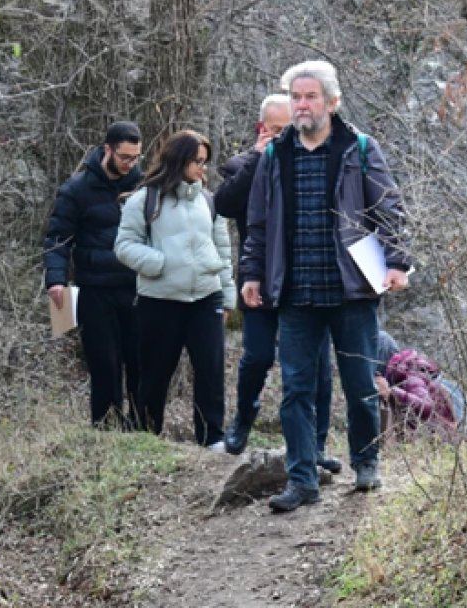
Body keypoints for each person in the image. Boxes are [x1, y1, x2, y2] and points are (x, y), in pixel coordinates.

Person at [239, 61, 412, 512]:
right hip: (294, 293)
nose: (301, 105)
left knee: (359, 382)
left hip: (352, 289)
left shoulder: (359, 148)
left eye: (310, 96)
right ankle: (302, 480)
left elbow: (388, 209)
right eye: (296, 97)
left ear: (332, 102)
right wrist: (252, 274)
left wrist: (396, 262)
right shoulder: (276, 155)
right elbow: (257, 223)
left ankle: (366, 464)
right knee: (295, 388)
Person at [215, 94, 340, 473]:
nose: (286, 136)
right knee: (256, 357)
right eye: (276, 130)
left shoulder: (316, 162)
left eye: (290, 129)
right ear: (262, 130)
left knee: (317, 366)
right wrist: (259, 157)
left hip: (306, 284)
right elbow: (224, 204)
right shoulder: (243, 166)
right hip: (263, 284)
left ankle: (315, 444)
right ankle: (241, 423)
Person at [115, 129, 235, 451]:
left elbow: (223, 250)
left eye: (205, 162)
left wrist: (227, 295)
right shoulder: (144, 199)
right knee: (154, 375)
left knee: (210, 373)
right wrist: (159, 263)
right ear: (178, 160)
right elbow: (124, 245)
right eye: (197, 161)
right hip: (159, 301)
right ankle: (145, 436)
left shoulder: (209, 201)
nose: (202, 168)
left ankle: (213, 438)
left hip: (206, 298)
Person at [43, 121, 144, 428]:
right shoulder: (76, 189)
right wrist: (56, 279)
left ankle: (141, 429)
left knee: (141, 364)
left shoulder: (143, 187)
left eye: (135, 157)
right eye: (124, 157)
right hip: (94, 289)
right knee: (104, 366)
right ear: (107, 150)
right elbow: (58, 238)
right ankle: (105, 430)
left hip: (138, 288)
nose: (130, 164)